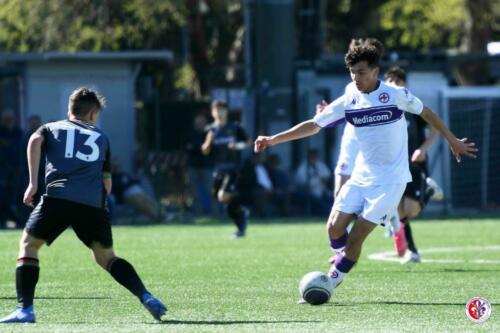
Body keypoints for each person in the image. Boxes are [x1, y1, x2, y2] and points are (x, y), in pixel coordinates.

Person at [254, 38, 477, 290]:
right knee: (333, 229)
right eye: (352, 73)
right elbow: (314, 124)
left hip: (390, 182)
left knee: (356, 236)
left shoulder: (395, 95)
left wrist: (453, 140)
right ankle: (343, 260)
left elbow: (427, 113)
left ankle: (330, 282)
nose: (356, 78)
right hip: (361, 176)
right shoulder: (350, 96)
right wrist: (274, 139)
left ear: (375, 71)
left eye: (361, 72)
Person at [0, 88, 166, 323]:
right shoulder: (101, 137)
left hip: (56, 198)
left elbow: (35, 140)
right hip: (92, 204)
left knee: (29, 245)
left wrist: (33, 184)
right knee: (106, 257)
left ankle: (25, 310)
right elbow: (107, 185)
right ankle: (145, 295)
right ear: (92, 114)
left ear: (70, 110)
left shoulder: (51, 127)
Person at [201, 100, 251, 239]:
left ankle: (241, 214)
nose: (220, 112)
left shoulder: (235, 127)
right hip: (218, 171)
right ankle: (241, 218)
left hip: (233, 169)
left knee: (223, 195)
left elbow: (248, 142)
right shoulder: (211, 130)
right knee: (223, 199)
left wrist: (238, 146)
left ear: (227, 112)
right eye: (217, 110)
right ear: (212, 112)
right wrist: (208, 141)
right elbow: (205, 151)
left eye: (222, 109)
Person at [0, 109, 23, 228]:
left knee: (16, 196)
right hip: (2, 170)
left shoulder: (19, 133)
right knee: (2, 196)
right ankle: (2, 221)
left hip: (17, 170)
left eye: (10, 118)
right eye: (6, 118)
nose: (8, 121)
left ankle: (18, 221)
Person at [294, 148, 332, 215]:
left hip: (322, 189)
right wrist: (317, 179)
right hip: (308, 191)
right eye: (312, 156)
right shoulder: (303, 167)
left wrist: (322, 179)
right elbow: (301, 181)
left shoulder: (320, 164)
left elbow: (327, 175)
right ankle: (325, 213)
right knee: (319, 202)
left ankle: (329, 212)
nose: (313, 158)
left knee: (331, 198)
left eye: (315, 156)